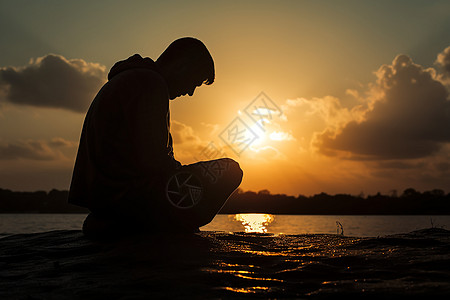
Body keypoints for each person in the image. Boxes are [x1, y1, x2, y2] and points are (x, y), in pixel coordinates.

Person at [69, 37, 243, 238]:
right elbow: (153, 161)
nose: (190, 93)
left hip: (107, 201)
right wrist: (180, 176)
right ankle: (162, 224)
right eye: (193, 82)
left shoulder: (130, 80)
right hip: (132, 199)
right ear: (181, 66)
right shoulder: (150, 84)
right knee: (230, 170)